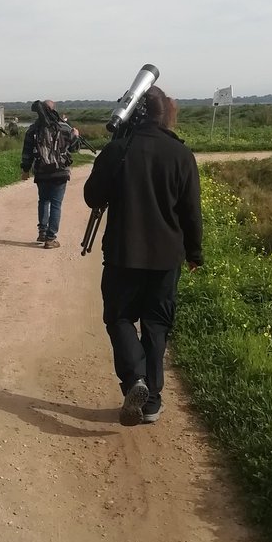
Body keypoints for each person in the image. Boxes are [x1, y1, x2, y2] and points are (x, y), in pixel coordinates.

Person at [83, 86, 203, 425]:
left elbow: (93, 197)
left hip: (123, 254)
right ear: (165, 112)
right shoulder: (181, 154)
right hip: (166, 258)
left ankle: (134, 380)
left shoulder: (117, 150)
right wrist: (194, 252)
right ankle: (152, 401)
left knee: (119, 318)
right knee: (156, 324)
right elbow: (191, 211)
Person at [21, 100, 80, 249]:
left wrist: (25, 169)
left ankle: (42, 231)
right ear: (54, 110)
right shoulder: (64, 127)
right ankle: (50, 238)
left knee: (43, 201)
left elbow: (27, 151)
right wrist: (75, 135)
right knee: (56, 204)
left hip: (41, 172)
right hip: (60, 172)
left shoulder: (33, 129)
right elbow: (73, 148)